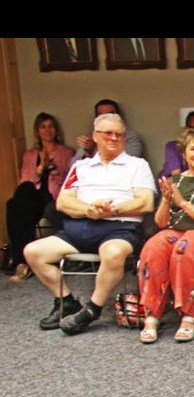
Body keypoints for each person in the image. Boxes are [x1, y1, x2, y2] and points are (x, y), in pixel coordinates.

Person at [24, 113, 155, 334]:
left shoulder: (137, 165)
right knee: (33, 252)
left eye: (119, 134)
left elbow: (146, 202)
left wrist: (111, 210)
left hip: (120, 229)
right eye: (108, 133)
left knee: (113, 253)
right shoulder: (81, 167)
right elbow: (63, 202)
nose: (114, 138)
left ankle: (91, 310)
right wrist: (88, 210)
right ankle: (66, 302)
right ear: (95, 136)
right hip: (80, 227)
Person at [137, 128, 194, 343]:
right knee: (153, 247)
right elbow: (161, 222)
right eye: (193, 149)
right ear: (184, 153)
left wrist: (183, 203)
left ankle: (189, 315)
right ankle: (152, 315)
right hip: (173, 230)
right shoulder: (175, 180)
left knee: (185, 247)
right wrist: (166, 200)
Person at [5, 112, 75, 282]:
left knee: (15, 207)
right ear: (37, 131)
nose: (47, 130)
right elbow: (25, 181)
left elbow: (69, 182)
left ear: (56, 130)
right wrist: (38, 170)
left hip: (52, 197)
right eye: (43, 127)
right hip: (31, 197)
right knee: (16, 202)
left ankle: (21, 260)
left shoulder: (66, 152)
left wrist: (52, 169)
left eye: (51, 126)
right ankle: (24, 260)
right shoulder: (30, 155)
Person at [75, 99, 144, 160]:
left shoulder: (131, 137)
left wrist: (94, 152)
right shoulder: (92, 138)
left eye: (110, 114)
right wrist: (88, 152)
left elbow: (129, 164)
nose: (106, 118)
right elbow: (73, 167)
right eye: (101, 115)